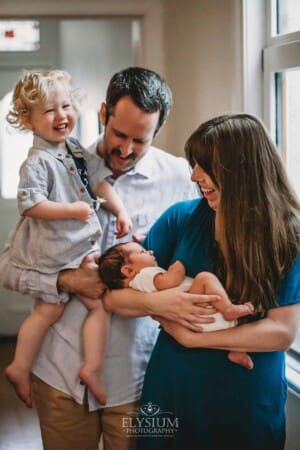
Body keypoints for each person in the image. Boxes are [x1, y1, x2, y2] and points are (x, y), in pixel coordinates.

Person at [0, 67, 201, 450]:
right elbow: (8, 267)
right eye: (119, 135)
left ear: (157, 131)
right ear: (102, 114)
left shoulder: (179, 178)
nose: (125, 150)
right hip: (60, 374)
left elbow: (191, 262)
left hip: (137, 379)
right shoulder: (58, 166)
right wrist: (65, 281)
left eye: (139, 140)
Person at [103, 114, 300, 450]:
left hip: (245, 399)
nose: (194, 176)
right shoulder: (182, 218)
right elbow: (114, 297)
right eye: (195, 164)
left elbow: (281, 333)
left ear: (241, 170)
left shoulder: (289, 236)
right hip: (173, 390)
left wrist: (192, 339)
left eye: (205, 166)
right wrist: (158, 304)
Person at [3, 70, 132, 409]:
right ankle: (20, 366)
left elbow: (101, 183)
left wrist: (120, 212)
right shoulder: (38, 161)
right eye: (48, 111)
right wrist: (71, 210)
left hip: (77, 248)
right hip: (55, 253)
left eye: (65, 105)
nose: (61, 116)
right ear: (28, 121)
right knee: (49, 309)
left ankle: (89, 367)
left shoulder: (74, 148)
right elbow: (29, 203)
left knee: (97, 307)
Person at [98, 241, 254, 368]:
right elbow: (168, 282)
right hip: (194, 301)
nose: (150, 251)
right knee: (205, 278)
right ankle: (228, 310)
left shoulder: (136, 286)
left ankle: (237, 351)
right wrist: (177, 267)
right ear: (128, 270)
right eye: (142, 252)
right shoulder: (144, 275)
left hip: (189, 320)